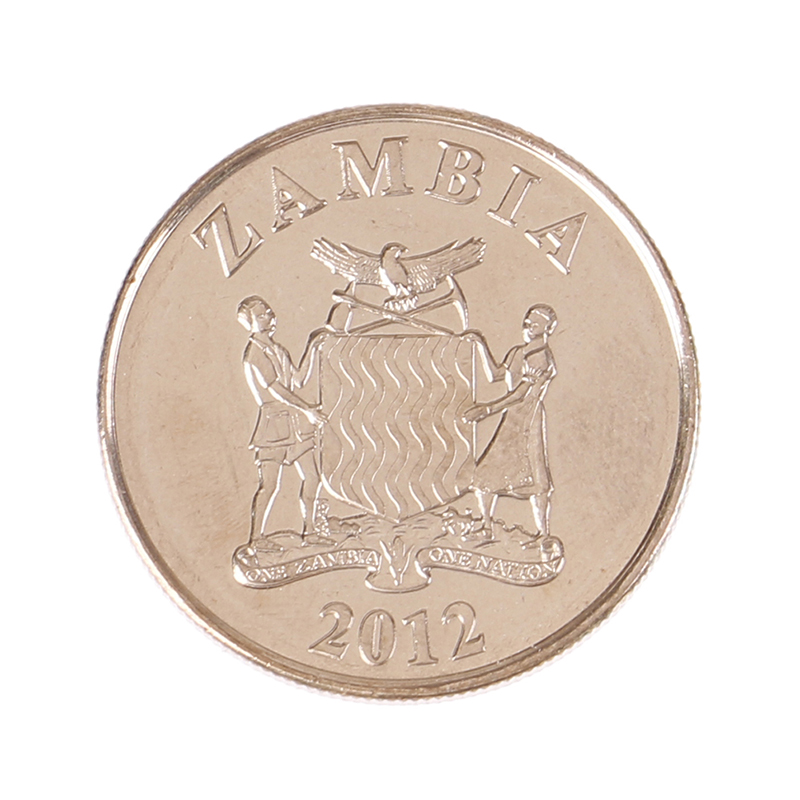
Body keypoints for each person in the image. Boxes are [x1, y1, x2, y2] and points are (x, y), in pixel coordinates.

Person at [464, 304, 558, 540]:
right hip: (512, 416)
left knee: (537, 477)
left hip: (528, 417)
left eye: (535, 322)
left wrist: (487, 409)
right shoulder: (518, 352)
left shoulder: (541, 358)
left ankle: (544, 535)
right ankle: (487, 526)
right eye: (527, 320)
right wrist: (480, 343)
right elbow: (496, 375)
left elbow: (521, 394)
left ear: (548, 328)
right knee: (486, 473)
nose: (528, 325)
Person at [237, 296, 325, 541]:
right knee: (270, 485)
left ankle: (310, 531)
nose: (269, 316)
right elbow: (275, 388)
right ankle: (256, 539)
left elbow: (298, 380)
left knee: (313, 477)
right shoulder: (254, 354)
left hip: (295, 424)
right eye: (261, 315)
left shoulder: (279, 350)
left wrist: (313, 346)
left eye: (268, 311)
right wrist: (307, 409)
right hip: (273, 426)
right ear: (250, 323)